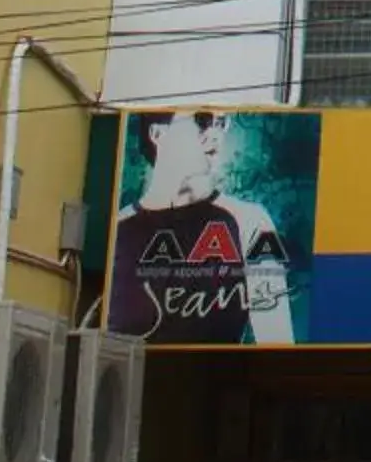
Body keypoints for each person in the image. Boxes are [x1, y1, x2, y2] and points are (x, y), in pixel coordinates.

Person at [106, 108, 294, 345]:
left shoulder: (251, 220)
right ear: (157, 133)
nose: (216, 134)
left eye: (222, 123)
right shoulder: (118, 228)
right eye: (202, 120)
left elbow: (277, 341)